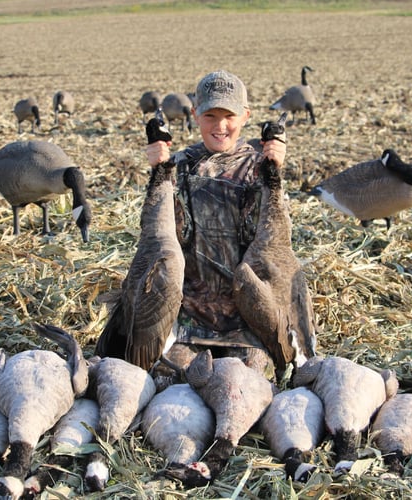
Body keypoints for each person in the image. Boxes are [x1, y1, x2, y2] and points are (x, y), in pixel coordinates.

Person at [99, 70, 306, 381]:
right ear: (195, 114)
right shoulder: (178, 166)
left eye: (229, 116)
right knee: (176, 383)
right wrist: (159, 170)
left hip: (248, 324)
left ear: (245, 116)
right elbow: (154, 240)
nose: (219, 126)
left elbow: (278, 248)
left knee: (250, 384)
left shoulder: (258, 169)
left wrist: (274, 173)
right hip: (186, 325)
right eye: (210, 115)